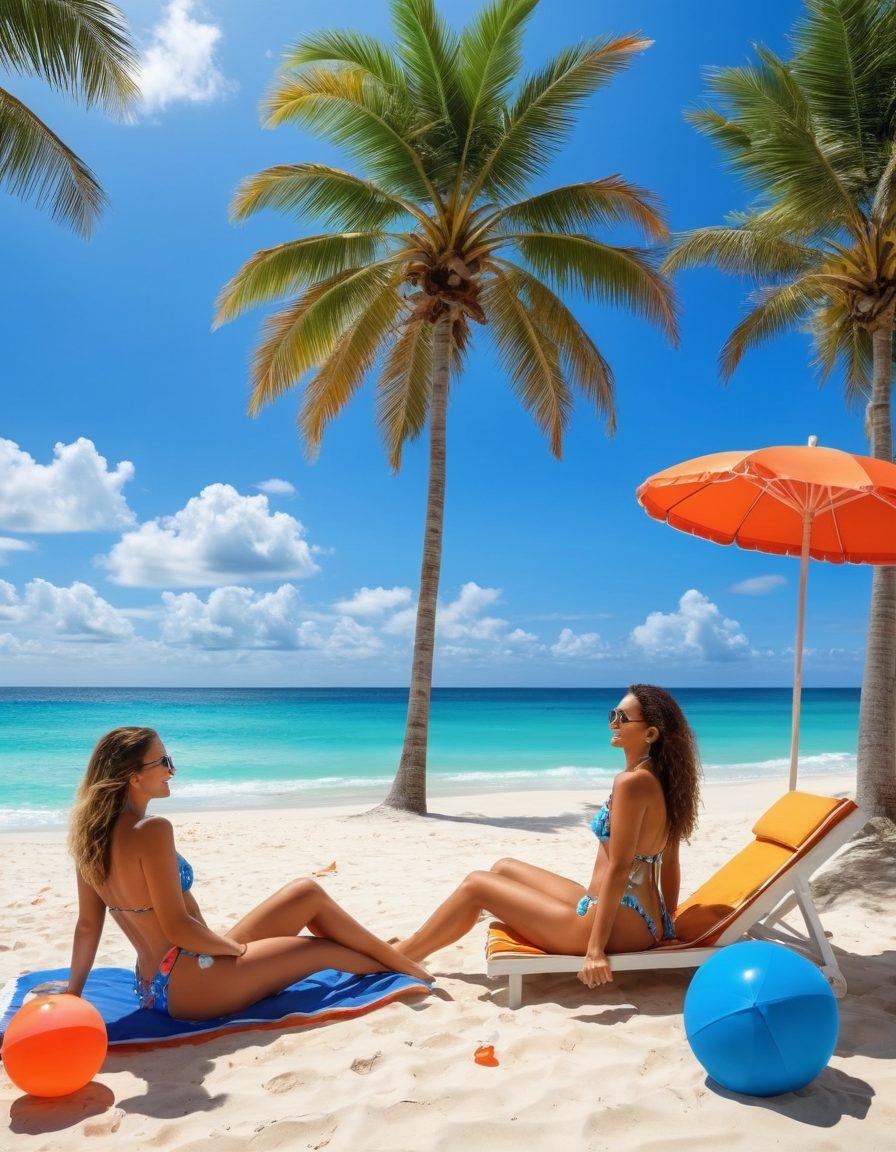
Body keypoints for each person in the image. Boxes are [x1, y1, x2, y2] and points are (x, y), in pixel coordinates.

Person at [64, 727, 430, 1020]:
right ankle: (408, 968)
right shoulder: (151, 831)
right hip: (195, 983)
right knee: (322, 950)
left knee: (305, 893)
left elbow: (86, 926)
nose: (172, 770)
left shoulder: (89, 837)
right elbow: (177, 927)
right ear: (134, 777)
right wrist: (234, 950)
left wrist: (73, 993)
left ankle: (396, 957)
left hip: (153, 988)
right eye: (163, 761)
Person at [391, 684, 701, 991]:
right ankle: (412, 947)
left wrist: (595, 951)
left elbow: (620, 869)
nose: (613, 723)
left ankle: (403, 955)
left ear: (650, 734)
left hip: (613, 925)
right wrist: (667, 925)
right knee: (503, 867)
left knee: (476, 884)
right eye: (613, 714)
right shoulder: (662, 779)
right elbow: (670, 861)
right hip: (641, 919)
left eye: (622, 718)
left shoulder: (630, 783)